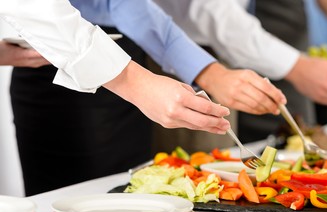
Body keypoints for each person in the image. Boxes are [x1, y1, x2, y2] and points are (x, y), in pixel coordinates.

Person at [5, 0, 286, 195]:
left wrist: (208, 72)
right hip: (61, 64)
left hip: (122, 59)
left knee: (130, 202)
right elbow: (33, 8)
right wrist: (135, 83)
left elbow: (125, 4)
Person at [153, 0, 327, 143]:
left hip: (237, 42)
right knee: (203, 157)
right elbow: (209, 8)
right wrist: (296, 66)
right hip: (184, 49)